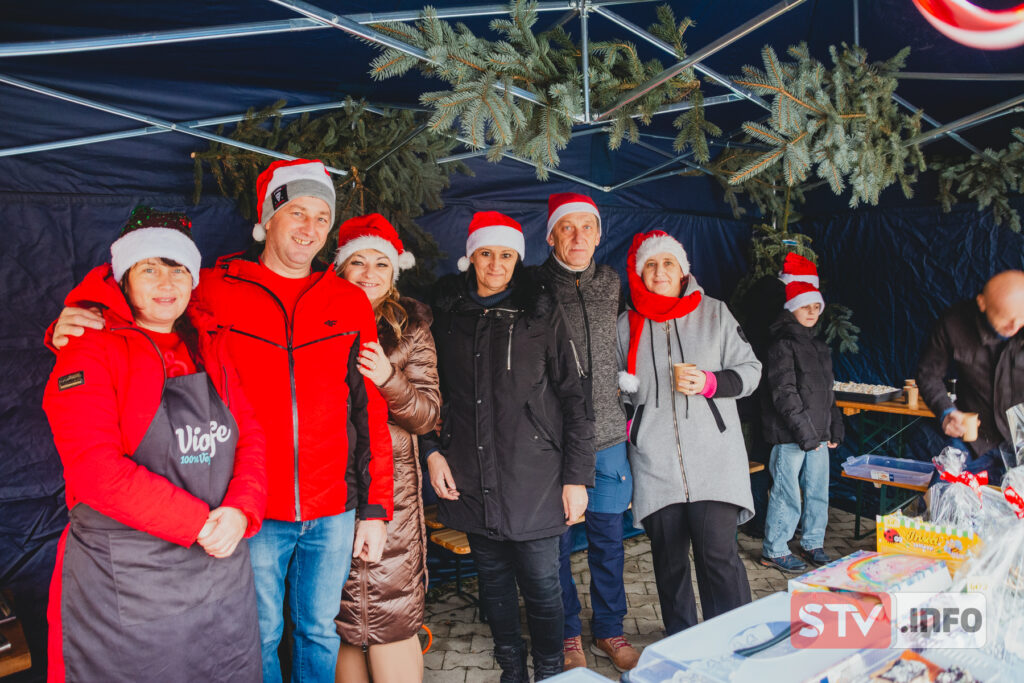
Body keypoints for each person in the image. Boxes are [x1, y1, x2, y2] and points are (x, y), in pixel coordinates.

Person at [48, 159, 394, 683]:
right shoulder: (211, 287)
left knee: (320, 631)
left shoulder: (348, 301)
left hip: (331, 505)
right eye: (296, 212)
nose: (309, 228)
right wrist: (67, 325)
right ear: (267, 218)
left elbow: (368, 407)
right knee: (256, 635)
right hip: (252, 511)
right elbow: (134, 310)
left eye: (322, 217)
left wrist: (375, 507)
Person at [42, 207, 267, 682]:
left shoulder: (208, 344)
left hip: (219, 572)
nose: (166, 282)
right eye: (149, 269)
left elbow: (250, 435)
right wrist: (198, 523)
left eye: (178, 269)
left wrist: (241, 509)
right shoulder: (88, 347)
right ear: (124, 279)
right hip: (129, 579)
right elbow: (95, 470)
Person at [423, 211, 595, 682]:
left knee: (542, 584)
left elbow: (576, 397)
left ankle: (551, 672)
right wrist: (431, 450)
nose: (495, 264)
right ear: (470, 257)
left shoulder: (540, 312)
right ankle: (512, 670)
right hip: (471, 474)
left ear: (517, 259)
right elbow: (429, 391)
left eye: (505, 255)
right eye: (485, 253)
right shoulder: (448, 316)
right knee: (495, 585)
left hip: (534, 477)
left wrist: (577, 477)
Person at [616, 230, 761, 636]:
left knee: (717, 556)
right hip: (655, 464)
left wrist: (711, 383)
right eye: (650, 264)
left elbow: (752, 371)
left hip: (715, 460)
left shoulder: (715, 313)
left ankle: (734, 640)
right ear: (640, 273)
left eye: (668, 263)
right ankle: (683, 645)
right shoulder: (626, 326)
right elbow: (616, 391)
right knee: (669, 563)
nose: (659, 271)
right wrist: (634, 426)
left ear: (683, 271)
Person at [332, 214, 441, 683]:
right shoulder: (321, 315)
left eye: (380, 263)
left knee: (389, 614)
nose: (369, 273)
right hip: (331, 487)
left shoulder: (411, 327)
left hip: (392, 493)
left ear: (394, 272)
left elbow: (427, 415)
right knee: (339, 622)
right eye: (358, 262)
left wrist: (387, 379)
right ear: (340, 268)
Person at [536, 193, 638, 672]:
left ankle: (610, 630)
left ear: (599, 235)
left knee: (608, 541)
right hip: (556, 443)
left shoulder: (611, 282)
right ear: (551, 235)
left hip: (609, 439)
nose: (578, 237)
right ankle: (567, 633)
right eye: (567, 228)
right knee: (557, 545)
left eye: (587, 228)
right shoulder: (534, 286)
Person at [759, 281, 844, 573]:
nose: (812, 312)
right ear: (791, 308)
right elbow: (784, 393)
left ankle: (812, 542)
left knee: (818, 490)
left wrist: (834, 427)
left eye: (816, 307)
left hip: (818, 435)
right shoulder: (781, 345)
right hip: (790, 436)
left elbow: (828, 392)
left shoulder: (819, 347)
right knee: (787, 494)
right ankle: (775, 549)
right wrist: (805, 433)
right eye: (805, 306)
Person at [917, 270, 1024, 486]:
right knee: (942, 495)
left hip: (1021, 439)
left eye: (1021, 317)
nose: (1014, 326)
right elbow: (928, 374)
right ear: (982, 303)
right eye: (1005, 318)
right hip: (974, 438)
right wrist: (946, 412)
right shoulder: (954, 323)